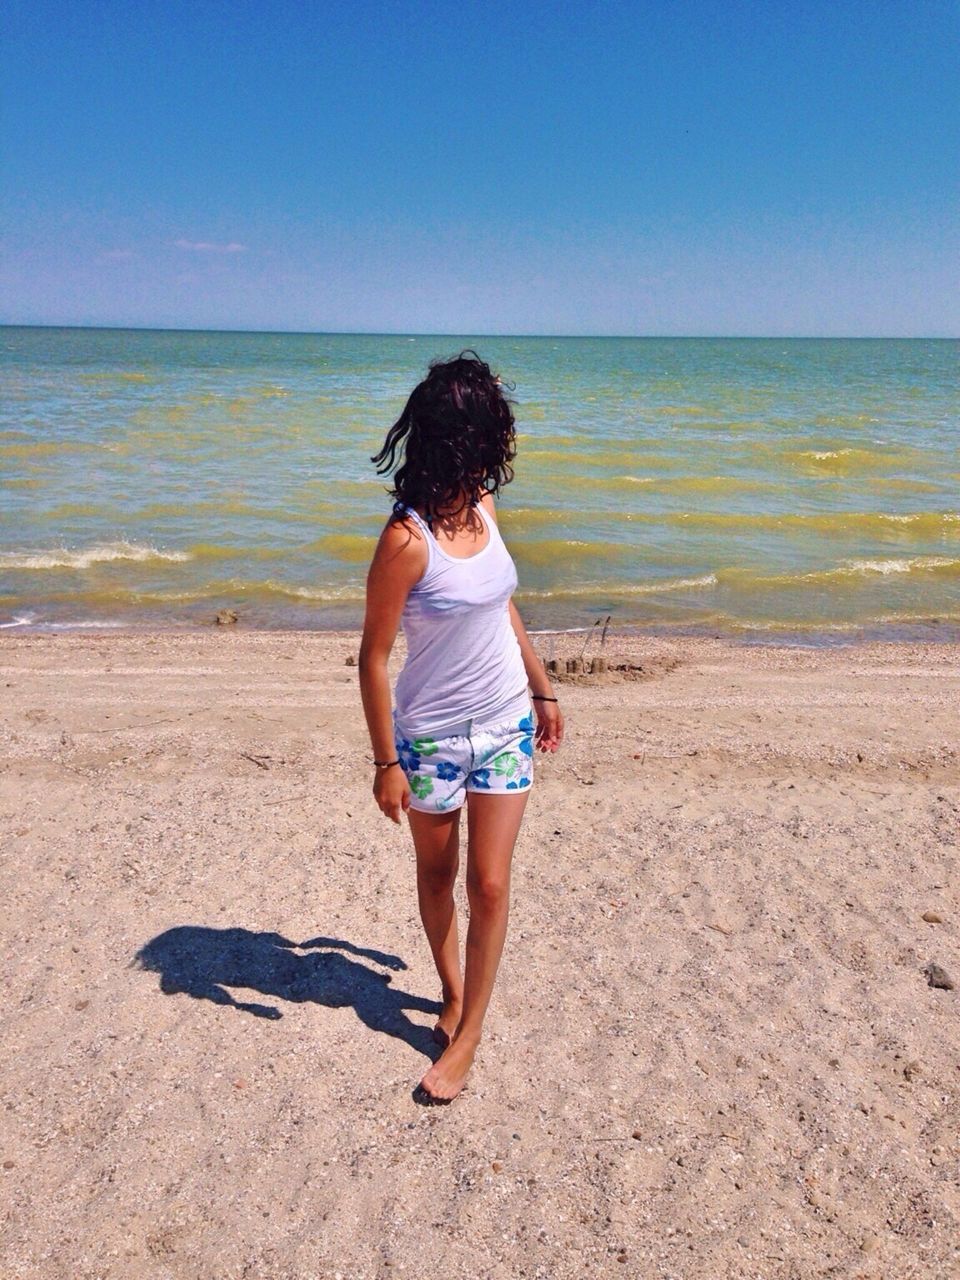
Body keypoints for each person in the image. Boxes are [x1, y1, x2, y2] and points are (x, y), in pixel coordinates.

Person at [358, 351, 564, 1104]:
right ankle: (451, 991)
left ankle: (470, 1031)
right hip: (431, 740)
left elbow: (502, 604)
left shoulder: (484, 506)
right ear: (461, 438)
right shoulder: (406, 541)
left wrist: (542, 691)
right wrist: (386, 763)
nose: (499, 451)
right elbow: (373, 659)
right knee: (439, 877)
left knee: (492, 881)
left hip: (506, 724)